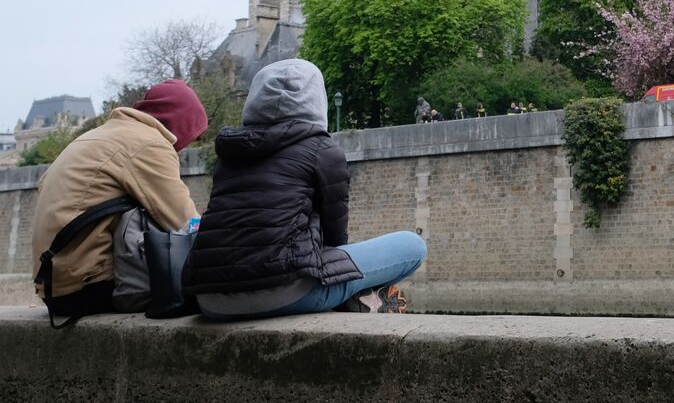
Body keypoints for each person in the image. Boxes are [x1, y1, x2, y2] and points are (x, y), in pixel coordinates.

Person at [185, 59, 427, 319]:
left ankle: (357, 298)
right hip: (284, 293)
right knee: (413, 246)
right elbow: (335, 239)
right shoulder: (321, 150)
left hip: (211, 301)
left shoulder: (229, 154)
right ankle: (357, 297)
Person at [32, 80, 208, 319]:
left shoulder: (100, 136)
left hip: (54, 288)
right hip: (87, 288)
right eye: (193, 136)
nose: (186, 148)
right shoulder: (149, 143)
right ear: (180, 124)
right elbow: (185, 223)